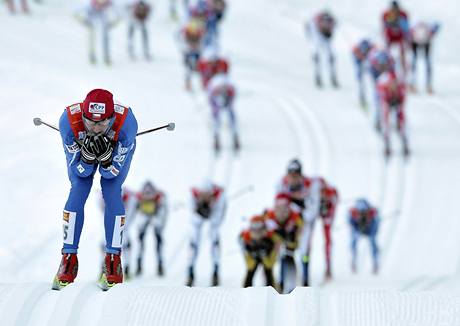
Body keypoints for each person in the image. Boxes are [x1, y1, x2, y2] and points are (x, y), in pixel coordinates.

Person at [52, 89, 138, 291]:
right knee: (78, 190)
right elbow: (78, 171)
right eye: (90, 122)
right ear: (83, 115)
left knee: (111, 190)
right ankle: (68, 259)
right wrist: (88, 158)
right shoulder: (69, 122)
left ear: (112, 118)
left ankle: (113, 262)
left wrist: (108, 159)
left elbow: (111, 174)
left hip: (116, 148)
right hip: (82, 156)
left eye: (102, 123)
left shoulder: (126, 124)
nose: (96, 128)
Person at [277, 159, 321, 286]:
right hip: (288, 221)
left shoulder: (311, 184)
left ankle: (305, 279)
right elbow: (278, 204)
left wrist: (302, 215)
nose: (293, 178)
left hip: (305, 222)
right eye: (291, 175)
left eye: (296, 175)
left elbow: (314, 207)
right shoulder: (281, 183)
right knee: (285, 248)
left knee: (304, 250)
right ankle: (282, 279)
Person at [186, 181, 226, 286]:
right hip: (199, 217)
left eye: (207, 195)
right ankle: (190, 271)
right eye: (202, 195)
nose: (205, 197)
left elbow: (217, 220)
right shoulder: (193, 196)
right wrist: (200, 213)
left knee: (215, 239)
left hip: (214, 216)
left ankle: (216, 271)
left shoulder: (219, 197)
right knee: (194, 240)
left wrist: (209, 211)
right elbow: (193, 219)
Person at [265, 193, 303, 293]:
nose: (282, 211)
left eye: (285, 208)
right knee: (269, 260)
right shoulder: (269, 216)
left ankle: (291, 284)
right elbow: (267, 233)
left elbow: (299, 231)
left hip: (289, 240)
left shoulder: (295, 217)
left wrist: (292, 241)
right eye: (279, 208)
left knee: (289, 256)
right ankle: (269, 285)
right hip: (274, 241)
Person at [132, 181, 168, 277]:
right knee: (140, 241)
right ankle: (138, 265)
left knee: (158, 241)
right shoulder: (138, 197)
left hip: (156, 216)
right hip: (143, 216)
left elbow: (164, 212)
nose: (148, 198)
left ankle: (160, 264)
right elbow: (132, 211)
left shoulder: (160, 197)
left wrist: (160, 225)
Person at [240, 215, 279, 288]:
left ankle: (273, 292)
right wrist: (253, 255)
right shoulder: (245, 240)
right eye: (254, 230)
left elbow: (270, 263)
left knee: (268, 272)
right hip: (253, 258)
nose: (257, 233)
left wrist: (264, 256)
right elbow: (249, 265)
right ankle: (245, 292)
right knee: (250, 272)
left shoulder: (272, 239)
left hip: (267, 257)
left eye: (260, 230)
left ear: (265, 229)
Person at [75, 0, 119, 65]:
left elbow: (118, 14)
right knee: (92, 38)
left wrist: (113, 22)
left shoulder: (109, 5)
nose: (101, 5)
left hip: (104, 23)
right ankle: (92, 55)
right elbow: (76, 13)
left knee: (105, 39)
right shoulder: (90, 5)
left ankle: (106, 57)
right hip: (93, 22)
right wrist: (84, 21)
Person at [377, 72, 409, 158]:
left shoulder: (401, 89)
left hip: (397, 102)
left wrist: (399, 121)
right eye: (392, 84)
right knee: (385, 123)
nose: (393, 86)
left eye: (395, 83)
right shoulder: (383, 88)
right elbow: (383, 104)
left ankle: (405, 141)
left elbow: (402, 103)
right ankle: (387, 143)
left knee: (402, 123)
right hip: (387, 102)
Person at [206, 72, 240, 152]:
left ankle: (235, 137)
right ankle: (216, 138)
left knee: (231, 117)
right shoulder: (213, 89)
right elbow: (210, 99)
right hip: (216, 99)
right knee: (216, 119)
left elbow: (233, 97)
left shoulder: (230, 89)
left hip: (227, 99)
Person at [367, 48, 396, 132]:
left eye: (384, 65)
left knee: (392, 98)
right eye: (381, 65)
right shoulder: (372, 65)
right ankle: (378, 119)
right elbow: (376, 83)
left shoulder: (391, 63)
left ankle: (395, 119)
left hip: (388, 79)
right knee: (377, 98)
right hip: (378, 80)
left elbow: (393, 78)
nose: (383, 67)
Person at [307, 10, 338, 88]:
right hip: (318, 36)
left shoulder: (332, 24)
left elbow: (331, 34)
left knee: (330, 56)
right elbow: (313, 38)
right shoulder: (315, 26)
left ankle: (332, 77)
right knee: (317, 56)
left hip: (325, 37)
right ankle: (318, 77)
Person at [348, 199, 380, 274]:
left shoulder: (372, 214)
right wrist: (355, 229)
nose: (362, 216)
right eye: (360, 214)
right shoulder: (352, 213)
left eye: (364, 214)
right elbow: (350, 224)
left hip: (370, 228)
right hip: (357, 228)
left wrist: (371, 228)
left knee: (373, 242)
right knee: (353, 242)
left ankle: (375, 263)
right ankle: (353, 262)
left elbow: (376, 225)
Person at [316, 178, 338, 280]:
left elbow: (332, 210)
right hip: (315, 212)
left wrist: (328, 217)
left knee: (327, 241)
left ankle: (328, 267)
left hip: (327, 215)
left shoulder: (332, 193)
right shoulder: (314, 190)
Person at [409, 22, 440, 94]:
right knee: (413, 63)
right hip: (415, 42)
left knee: (428, 63)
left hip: (426, 41)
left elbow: (438, 25)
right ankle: (412, 83)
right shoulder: (412, 33)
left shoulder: (429, 32)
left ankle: (428, 85)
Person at [382, 1, 409, 75]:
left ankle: (404, 72)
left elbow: (406, 27)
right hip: (390, 36)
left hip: (400, 36)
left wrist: (407, 39)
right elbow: (384, 27)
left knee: (402, 54)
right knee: (387, 54)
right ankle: (389, 71)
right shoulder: (386, 14)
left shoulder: (403, 14)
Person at [179, 19, 206, 90]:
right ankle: (188, 84)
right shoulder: (185, 34)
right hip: (188, 53)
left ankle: (203, 84)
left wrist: (197, 47)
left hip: (196, 53)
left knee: (200, 69)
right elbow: (183, 44)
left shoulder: (199, 34)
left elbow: (202, 44)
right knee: (188, 69)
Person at [352, 39, 375, 107]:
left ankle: (370, 96)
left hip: (368, 60)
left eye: (366, 51)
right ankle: (361, 96)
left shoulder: (372, 49)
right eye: (364, 51)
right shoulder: (356, 50)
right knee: (360, 77)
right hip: (358, 60)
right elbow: (356, 61)